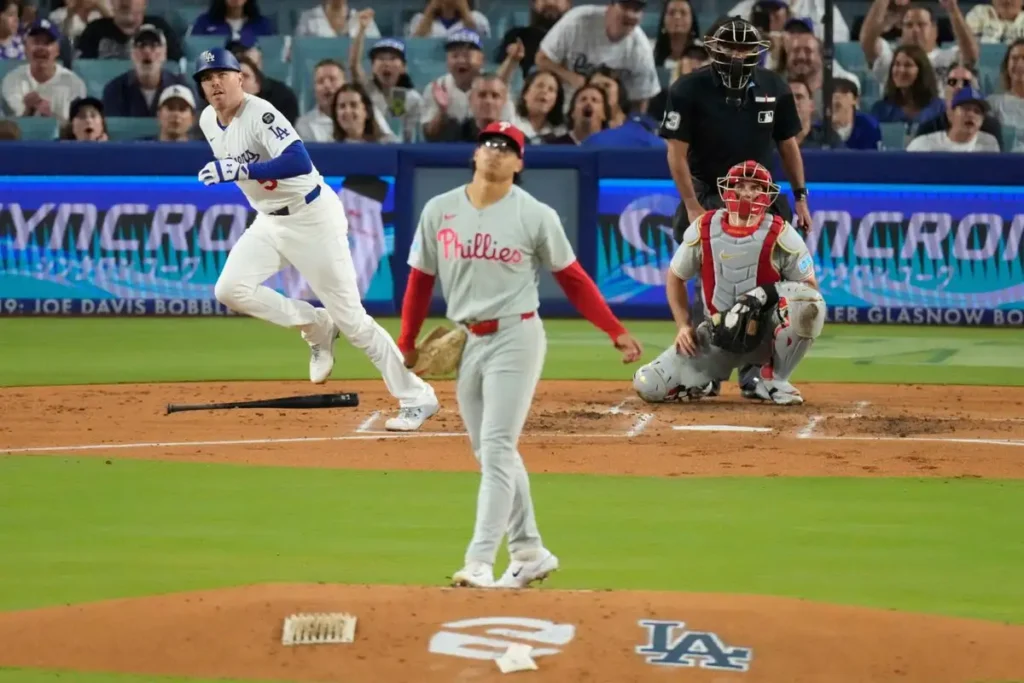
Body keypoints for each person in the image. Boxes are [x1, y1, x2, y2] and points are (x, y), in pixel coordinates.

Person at [398, 121, 643, 588]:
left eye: (506, 147)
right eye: (488, 143)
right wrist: (407, 340)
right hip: (467, 340)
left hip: (517, 336)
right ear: (475, 154)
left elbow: (572, 277)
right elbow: (420, 279)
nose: (495, 151)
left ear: (519, 162)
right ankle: (529, 551)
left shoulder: (534, 214)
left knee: (495, 447)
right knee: (491, 452)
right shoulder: (439, 210)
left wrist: (614, 329)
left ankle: (477, 562)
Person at [193, 47, 439, 432]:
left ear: (240, 77)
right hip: (270, 222)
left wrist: (240, 168)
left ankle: (417, 396)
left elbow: (297, 160)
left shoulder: (260, 113)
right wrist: (237, 171)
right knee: (229, 289)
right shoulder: (209, 119)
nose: (214, 83)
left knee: (353, 320)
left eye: (222, 74)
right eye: (207, 78)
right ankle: (314, 324)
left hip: (312, 218)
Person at [632, 160, 824, 406]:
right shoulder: (704, 226)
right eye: (740, 185)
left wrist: (764, 295)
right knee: (648, 384)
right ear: (727, 189)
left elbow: (809, 290)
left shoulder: (782, 233)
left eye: (755, 187)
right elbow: (675, 277)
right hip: (717, 334)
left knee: (810, 304)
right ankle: (699, 381)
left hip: (764, 336)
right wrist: (683, 326)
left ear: (767, 195)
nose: (746, 192)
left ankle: (772, 378)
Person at [659, 17, 809, 243]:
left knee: (771, 271)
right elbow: (675, 152)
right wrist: (692, 205)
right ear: (715, 48)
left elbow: (788, 145)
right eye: (730, 47)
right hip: (709, 192)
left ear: (756, 51)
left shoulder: (775, 87)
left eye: (744, 48)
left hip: (761, 195)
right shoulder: (687, 89)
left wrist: (800, 197)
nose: (737, 55)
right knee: (712, 272)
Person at [536, 0, 661, 112]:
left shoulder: (641, 48)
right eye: (625, 6)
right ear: (611, 6)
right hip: (563, 106)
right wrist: (572, 78)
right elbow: (541, 60)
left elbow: (641, 99)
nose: (630, 15)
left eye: (636, 10)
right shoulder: (577, 20)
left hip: (607, 117)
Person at [906, 84, 1001, 150]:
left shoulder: (989, 143)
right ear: (951, 113)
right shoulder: (923, 145)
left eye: (977, 111)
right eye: (966, 109)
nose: (971, 114)